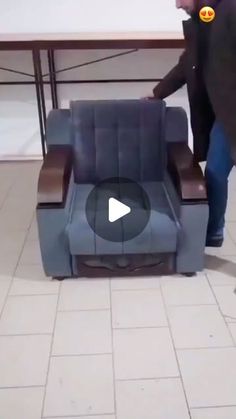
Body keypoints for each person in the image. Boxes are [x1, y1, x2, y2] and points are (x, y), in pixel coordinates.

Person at [146, 0, 236, 247]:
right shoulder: (206, 17)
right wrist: (158, 94)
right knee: (215, 173)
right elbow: (189, 62)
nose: (177, 5)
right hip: (225, 115)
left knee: (216, 172)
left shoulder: (231, 9)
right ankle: (213, 231)